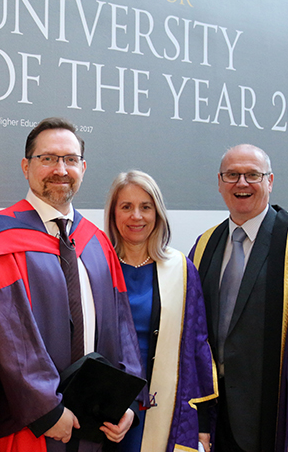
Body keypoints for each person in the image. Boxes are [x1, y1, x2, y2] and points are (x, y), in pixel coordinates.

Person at [0, 118, 143, 452]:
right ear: (26, 166)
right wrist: (47, 409)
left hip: (97, 421)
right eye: (48, 158)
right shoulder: (0, 240)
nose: (60, 169)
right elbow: (10, 337)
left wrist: (127, 401)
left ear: (83, 168)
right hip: (31, 426)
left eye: (70, 159)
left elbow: (122, 326)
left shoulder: (97, 242)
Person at [188, 144, 288, 452]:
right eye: (232, 175)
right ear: (220, 183)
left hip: (274, 411)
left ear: (270, 181)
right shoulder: (205, 246)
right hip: (215, 414)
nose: (242, 183)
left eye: (253, 174)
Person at [103, 171, 216, 452]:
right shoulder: (97, 266)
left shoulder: (180, 269)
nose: (136, 216)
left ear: (158, 213)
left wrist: (202, 422)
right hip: (109, 407)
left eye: (146, 207)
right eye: (126, 207)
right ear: (113, 214)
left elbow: (197, 345)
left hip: (165, 405)